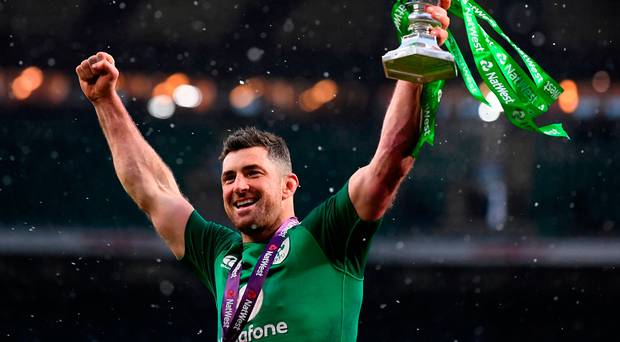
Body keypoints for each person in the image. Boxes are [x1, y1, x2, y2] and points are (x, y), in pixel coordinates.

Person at [75, 1, 452, 341]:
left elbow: (389, 161)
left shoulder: (326, 236)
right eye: (229, 177)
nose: (238, 186)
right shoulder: (218, 255)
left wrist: (415, 64)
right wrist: (105, 101)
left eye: (253, 173)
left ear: (289, 185)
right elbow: (152, 190)